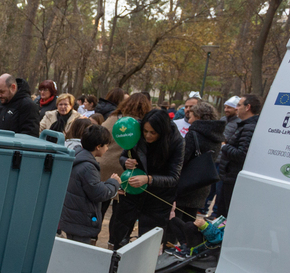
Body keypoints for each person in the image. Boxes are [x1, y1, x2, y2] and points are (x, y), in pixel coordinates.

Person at [107, 108, 184, 249]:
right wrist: (126, 162)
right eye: (145, 131)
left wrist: (148, 179)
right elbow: (124, 155)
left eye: (153, 133)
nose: (148, 136)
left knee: (147, 242)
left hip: (159, 197)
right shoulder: (136, 132)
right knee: (120, 230)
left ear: (162, 132)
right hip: (132, 191)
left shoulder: (176, 142)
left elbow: (174, 177)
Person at [170, 100, 223, 243]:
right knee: (191, 220)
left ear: (199, 117)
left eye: (192, 116)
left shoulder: (195, 133)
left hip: (186, 182)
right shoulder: (216, 134)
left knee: (176, 220)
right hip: (202, 183)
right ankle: (189, 246)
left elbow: (183, 158)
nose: (190, 119)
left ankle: (173, 247)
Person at [58, 126, 121, 244]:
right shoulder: (88, 167)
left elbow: (89, 185)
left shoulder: (78, 156)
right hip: (81, 221)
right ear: (98, 146)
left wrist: (110, 185)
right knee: (79, 254)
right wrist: (114, 182)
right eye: (106, 146)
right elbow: (99, 193)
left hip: (72, 218)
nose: (107, 149)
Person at [217, 94, 260, 217]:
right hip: (229, 177)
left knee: (226, 214)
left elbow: (242, 154)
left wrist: (224, 146)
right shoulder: (245, 125)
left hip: (234, 179)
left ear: (248, 107)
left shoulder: (250, 127)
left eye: (239, 105)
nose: (236, 108)